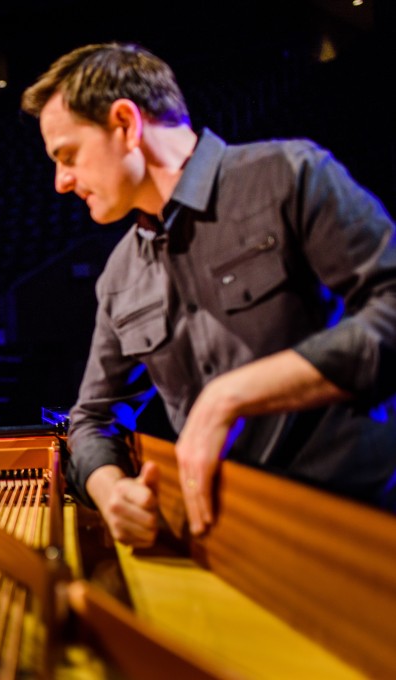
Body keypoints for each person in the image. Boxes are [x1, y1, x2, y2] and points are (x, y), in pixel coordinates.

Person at [20, 42, 396, 547]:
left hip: (359, 525)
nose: (61, 182)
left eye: (68, 156)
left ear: (126, 124)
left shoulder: (289, 173)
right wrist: (108, 489)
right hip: (224, 537)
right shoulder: (119, 273)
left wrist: (230, 396)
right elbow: (92, 418)